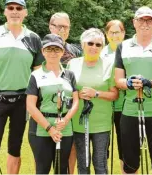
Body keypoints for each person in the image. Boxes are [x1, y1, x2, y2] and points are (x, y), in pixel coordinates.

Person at [0, 0, 44, 174]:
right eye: (11, 8)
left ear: (25, 13)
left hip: (22, 102)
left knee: (15, 148)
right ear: (5, 11)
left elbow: (38, 75)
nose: (15, 11)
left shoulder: (33, 38)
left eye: (19, 8)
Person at [115, 6, 152, 173]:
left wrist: (149, 83)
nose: (145, 24)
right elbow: (118, 79)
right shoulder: (123, 46)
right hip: (130, 110)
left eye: (149, 20)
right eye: (141, 20)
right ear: (134, 22)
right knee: (130, 162)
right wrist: (128, 83)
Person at [67, 28, 118, 174]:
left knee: (100, 162)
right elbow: (68, 90)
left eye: (98, 44)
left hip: (101, 123)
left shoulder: (109, 64)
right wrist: (77, 95)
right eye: (90, 43)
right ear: (83, 45)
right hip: (79, 122)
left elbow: (114, 95)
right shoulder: (72, 64)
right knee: (83, 164)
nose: (94, 47)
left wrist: (95, 93)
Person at [26, 34, 79, 174]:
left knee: (62, 170)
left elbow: (76, 101)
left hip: (64, 128)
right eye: (49, 49)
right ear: (43, 51)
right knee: (42, 170)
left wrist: (66, 119)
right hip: (41, 129)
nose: (53, 53)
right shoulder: (36, 75)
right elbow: (30, 106)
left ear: (62, 52)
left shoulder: (69, 74)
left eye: (57, 49)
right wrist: (50, 128)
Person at [48, 12, 82, 174]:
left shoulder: (75, 50)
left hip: (71, 109)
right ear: (51, 27)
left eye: (66, 27)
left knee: (71, 146)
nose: (62, 30)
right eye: (59, 26)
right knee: (45, 149)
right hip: (46, 107)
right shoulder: (42, 48)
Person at [101, 20, 126, 173]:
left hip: (124, 105)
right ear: (106, 34)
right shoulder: (101, 52)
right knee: (103, 147)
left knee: (124, 146)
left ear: (123, 34)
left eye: (118, 32)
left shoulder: (128, 50)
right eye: (111, 32)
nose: (114, 36)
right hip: (105, 105)